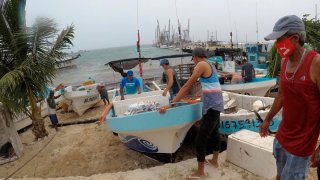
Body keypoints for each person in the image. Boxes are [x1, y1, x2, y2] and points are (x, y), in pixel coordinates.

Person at [259, 15, 320, 180]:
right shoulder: (285, 62)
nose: (277, 44)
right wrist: (268, 119)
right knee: (280, 174)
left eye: (280, 39)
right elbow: (281, 94)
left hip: (302, 144)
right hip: (283, 136)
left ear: (294, 39)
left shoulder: (315, 63)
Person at [159, 47, 224, 179]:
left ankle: (200, 173)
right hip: (217, 104)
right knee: (215, 133)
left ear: (195, 57)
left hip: (211, 106)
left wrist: (172, 103)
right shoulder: (210, 64)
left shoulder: (200, 65)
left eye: (193, 59)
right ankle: (215, 161)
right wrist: (200, 96)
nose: (193, 61)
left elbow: (187, 85)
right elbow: (210, 85)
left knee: (200, 140)